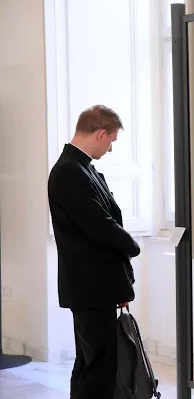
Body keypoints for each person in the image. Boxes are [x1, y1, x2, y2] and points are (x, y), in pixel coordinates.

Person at [48, 105, 141, 399]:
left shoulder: (82, 167)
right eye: (111, 141)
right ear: (100, 134)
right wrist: (132, 245)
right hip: (90, 288)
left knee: (92, 363)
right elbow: (100, 225)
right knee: (99, 367)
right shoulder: (69, 172)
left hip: (96, 287)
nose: (111, 148)